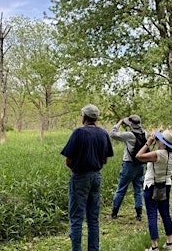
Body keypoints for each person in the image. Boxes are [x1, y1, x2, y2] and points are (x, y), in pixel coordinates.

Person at [60, 104, 114, 251]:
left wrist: (77, 167)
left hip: (80, 177)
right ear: (95, 118)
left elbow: (68, 160)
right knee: (93, 218)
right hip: (96, 177)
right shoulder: (103, 133)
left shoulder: (78, 133)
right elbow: (104, 160)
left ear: (84, 116)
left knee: (76, 218)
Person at [136, 130, 172, 251]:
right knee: (165, 213)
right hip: (166, 185)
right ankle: (169, 243)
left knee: (152, 215)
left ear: (164, 143)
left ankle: (154, 246)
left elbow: (139, 156)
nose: (158, 141)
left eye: (159, 140)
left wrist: (148, 143)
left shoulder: (159, 154)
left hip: (151, 185)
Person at [109, 115, 147, 221]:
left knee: (121, 189)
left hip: (129, 164)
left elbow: (112, 134)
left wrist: (120, 123)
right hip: (140, 164)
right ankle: (139, 214)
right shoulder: (145, 133)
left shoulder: (129, 135)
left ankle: (114, 212)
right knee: (138, 189)